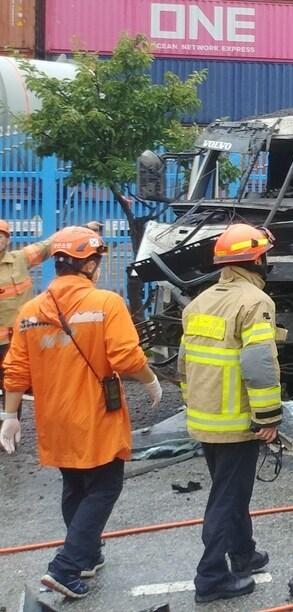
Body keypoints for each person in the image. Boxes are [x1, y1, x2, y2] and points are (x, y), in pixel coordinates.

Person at [0, 225, 161, 600]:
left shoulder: (31, 310)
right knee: (105, 486)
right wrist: (151, 381)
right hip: (93, 414)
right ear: (88, 265)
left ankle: (87, 556)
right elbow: (126, 357)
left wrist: (9, 417)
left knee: (74, 484)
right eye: (97, 261)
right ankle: (67, 566)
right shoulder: (106, 304)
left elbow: (16, 371)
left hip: (53, 417)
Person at [179, 223, 284, 603]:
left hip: (205, 418)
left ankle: (243, 553)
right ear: (256, 259)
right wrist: (268, 416)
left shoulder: (199, 302)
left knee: (232, 492)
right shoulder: (255, 303)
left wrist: (193, 405)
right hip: (237, 420)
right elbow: (259, 364)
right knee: (227, 498)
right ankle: (210, 577)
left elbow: (184, 364)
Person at [0, 219, 103, 398]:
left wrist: (80, 229)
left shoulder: (20, 260)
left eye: (1, 236)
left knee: (14, 385)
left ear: (7, 239)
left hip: (15, 340)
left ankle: (11, 420)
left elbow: (50, 244)